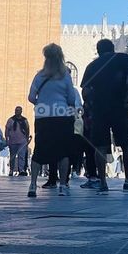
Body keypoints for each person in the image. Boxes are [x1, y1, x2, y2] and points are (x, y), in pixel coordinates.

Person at [80, 37, 128, 193]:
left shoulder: (92, 66)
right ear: (112, 48)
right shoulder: (124, 58)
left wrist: (90, 104)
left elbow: (85, 90)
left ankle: (103, 183)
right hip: (120, 106)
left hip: (100, 109)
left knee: (100, 146)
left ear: (98, 51)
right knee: (126, 143)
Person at [27, 43, 81, 198]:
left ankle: (32, 185)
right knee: (63, 152)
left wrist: (41, 103)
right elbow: (71, 98)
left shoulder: (39, 76)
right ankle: (63, 186)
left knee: (39, 150)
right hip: (62, 117)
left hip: (43, 118)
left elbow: (31, 97)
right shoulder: (65, 76)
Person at [5, 107, 31, 177]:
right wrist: (7, 139)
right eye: (16, 110)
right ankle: (11, 169)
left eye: (18, 110)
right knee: (12, 156)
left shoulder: (24, 120)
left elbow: (27, 129)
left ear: (21, 111)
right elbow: (7, 129)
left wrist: (27, 139)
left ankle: (21, 170)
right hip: (13, 141)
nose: (17, 112)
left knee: (22, 156)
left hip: (22, 142)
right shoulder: (11, 120)